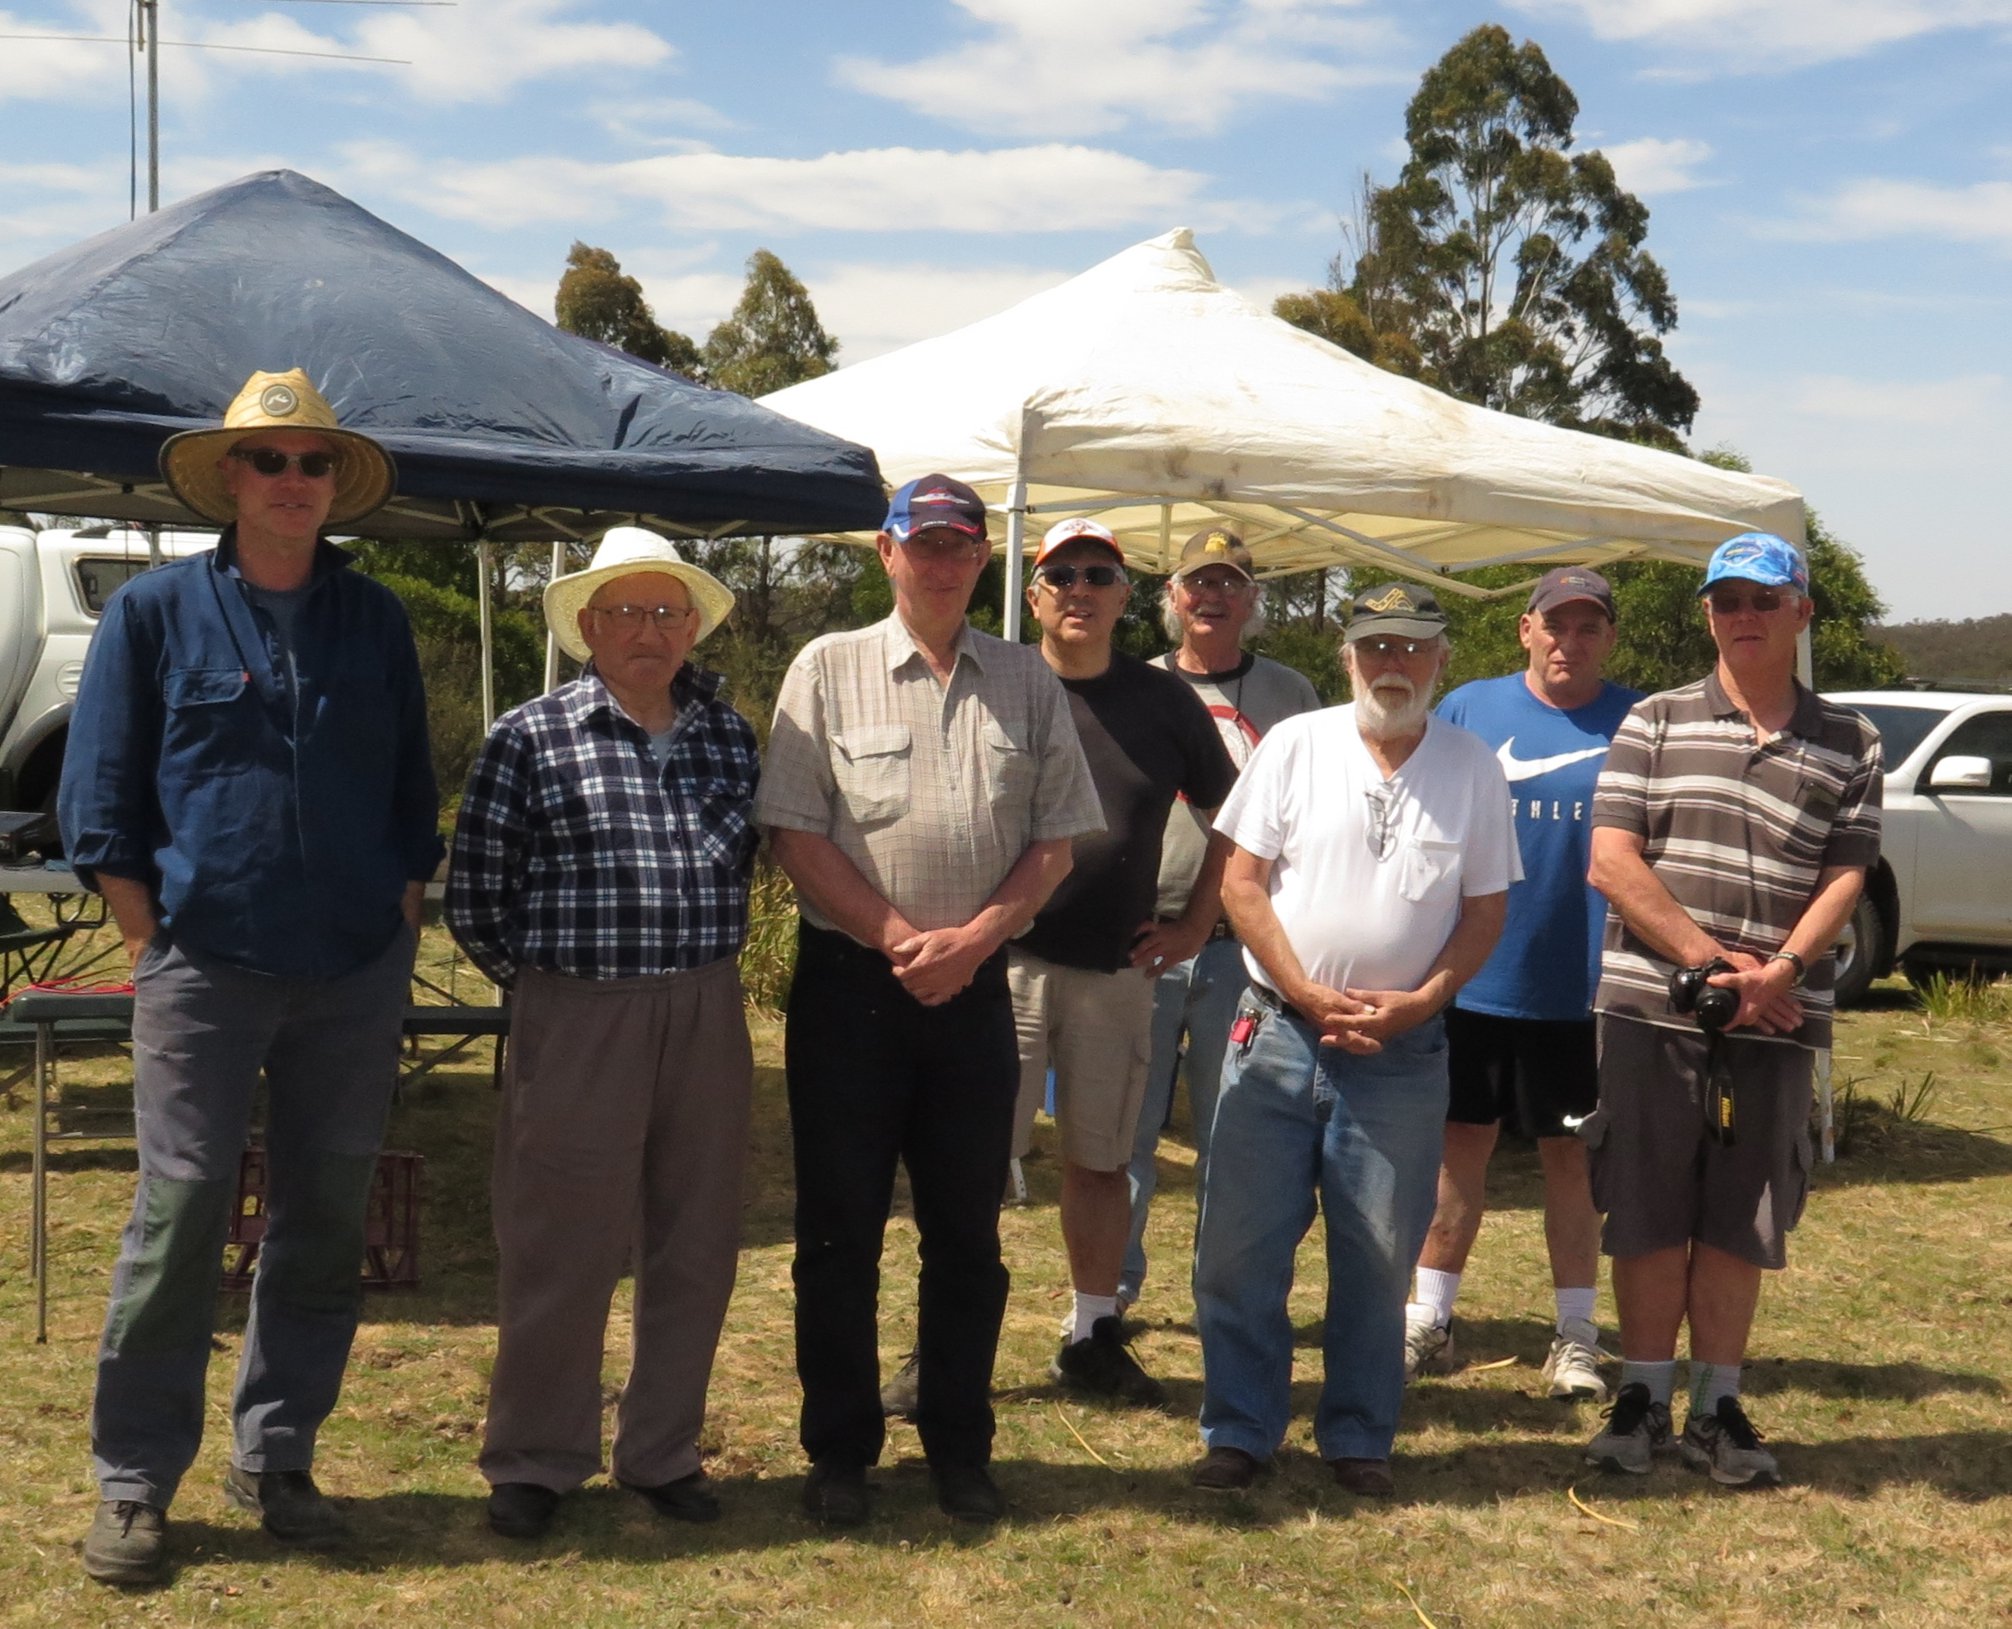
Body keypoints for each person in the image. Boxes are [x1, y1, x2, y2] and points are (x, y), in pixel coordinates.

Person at [59, 370, 440, 1586]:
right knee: (176, 1224)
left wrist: (401, 903)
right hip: (204, 969)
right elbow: (100, 804)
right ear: (230, 477)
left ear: (336, 484)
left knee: (322, 1222)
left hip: (352, 969)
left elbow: (409, 792)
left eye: (313, 463)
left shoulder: (373, 620)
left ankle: (277, 1455)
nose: (292, 481)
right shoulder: (154, 615)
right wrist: (147, 940)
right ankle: (134, 1481)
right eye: (269, 461)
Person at [756, 475, 1102, 1527]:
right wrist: (901, 938)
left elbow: (1055, 841)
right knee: (837, 1232)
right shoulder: (826, 668)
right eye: (924, 542)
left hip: (976, 990)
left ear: (982, 558)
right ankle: (840, 1452)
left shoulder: (1026, 681)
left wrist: (980, 940)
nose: (942, 561)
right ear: (886, 552)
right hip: (853, 991)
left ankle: (959, 1443)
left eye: (960, 544)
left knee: (966, 1234)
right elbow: (794, 835)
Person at [445, 528, 759, 1541]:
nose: (648, 630)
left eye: (668, 613)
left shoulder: (729, 735)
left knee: (696, 1239)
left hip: (706, 1007)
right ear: (585, 627)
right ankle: (536, 1457)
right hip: (575, 1009)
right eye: (625, 611)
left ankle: (662, 1450)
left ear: (691, 630)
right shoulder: (528, 737)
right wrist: (550, 995)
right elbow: (478, 900)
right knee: (558, 1241)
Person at [1190, 582, 1518, 1496]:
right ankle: (1241, 1429)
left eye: (1412, 647)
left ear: (1441, 659)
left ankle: (1359, 1436)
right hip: (1279, 1031)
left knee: (1377, 1258)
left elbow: (1486, 912)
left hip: (1403, 1053)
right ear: (1348, 657)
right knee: (1239, 1247)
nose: (1393, 664)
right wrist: (1300, 986)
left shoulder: (1471, 767)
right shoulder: (1295, 745)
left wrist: (1422, 1001)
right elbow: (1241, 884)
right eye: (1375, 646)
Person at [1582, 533, 1880, 1487]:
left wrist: (1780, 971)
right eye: (1724, 601)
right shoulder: (1654, 721)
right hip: (1653, 1009)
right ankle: (1640, 1394)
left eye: (1762, 599)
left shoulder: (1853, 740)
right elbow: (1612, 860)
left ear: (1802, 611)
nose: (1741, 616)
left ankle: (1716, 1403)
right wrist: (1715, 968)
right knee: (1646, 1203)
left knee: (1743, 1211)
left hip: (1780, 1018)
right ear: (1708, 614)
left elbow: (1848, 873)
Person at [1000, 519, 1237, 1404]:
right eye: (1060, 574)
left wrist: (1193, 925)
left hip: (1115, 974)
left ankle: (1092, 1333)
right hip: (1005, 966)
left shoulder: (1164, 700)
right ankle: (952, 1337)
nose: (1080, 589)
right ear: (1035, 594)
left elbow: (1233, 820)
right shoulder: (999, 684)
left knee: (1101, 1163)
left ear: (1125, 596)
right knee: (979, 1159)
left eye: (1099, 574)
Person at [1403, 568, 1642, 1400]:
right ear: (1525, 630)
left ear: (1608, 637)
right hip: (1473, 978)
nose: (1569, 642)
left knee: (1570, 1159)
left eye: (1588, 628)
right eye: (1556, 625)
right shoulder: (1467, 708)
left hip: (1582, 989)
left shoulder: (1639, 721)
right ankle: (1428, 1319)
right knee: (1456, 1148)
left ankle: (1576, 1336)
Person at [1120, 526, 1319, 1321]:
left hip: (1245, 951)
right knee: (1124, 1135)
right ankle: (1107, 1298)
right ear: (1171, 597)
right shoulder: (1133, 686)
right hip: (1140, 939)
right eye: (1197, 583)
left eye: (1230, 583)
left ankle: (1223, 1300)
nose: (1213, 595)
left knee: (1232, 1136)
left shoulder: (1292, 696)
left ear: (1252, 601)